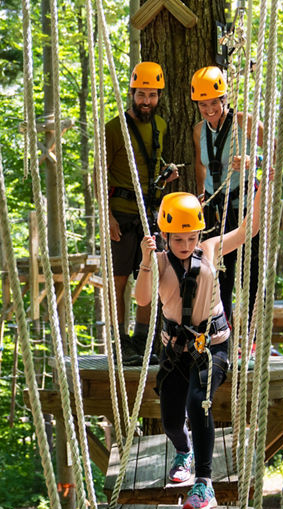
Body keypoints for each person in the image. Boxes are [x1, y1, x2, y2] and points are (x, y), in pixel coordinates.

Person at [134, 191, 261, 509]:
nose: (187, 245)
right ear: (165, 236)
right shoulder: (159, 263)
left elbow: (249, 230)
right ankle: (183, 452)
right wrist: (146, 261)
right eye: (179, 240)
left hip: (212, 346)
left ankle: (204, 484)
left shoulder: (210, 248)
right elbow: (142, 300)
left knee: (198, 403)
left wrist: (262, 189)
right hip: (175, 351)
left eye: (192, 238)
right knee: (171, 419)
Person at [104, 61, 179, 364]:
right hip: (121, 215)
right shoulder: (113, 128)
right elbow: (100, 174)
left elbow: (150, 165)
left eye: (152, 95)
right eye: (141, 95)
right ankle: (120, 342)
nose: (146, 101)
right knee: (120, 281)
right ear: (132, 93)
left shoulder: (160, 126)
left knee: (149, 278)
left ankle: (141, 341)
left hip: (150, 216)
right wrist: (106, 216)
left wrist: (166, 174)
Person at [191, 65, 264, 328]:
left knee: (253, 271)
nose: (210, 110)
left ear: (224, 99)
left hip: (244, 204)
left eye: (214, 103)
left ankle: (254, 333)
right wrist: (201, 195)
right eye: (203, 105)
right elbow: (200, 165)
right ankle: (224, 329)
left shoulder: (245, 122)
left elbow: (280, 155)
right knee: (221, 271)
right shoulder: (199, 130)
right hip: (215, 208)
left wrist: (252, 160)